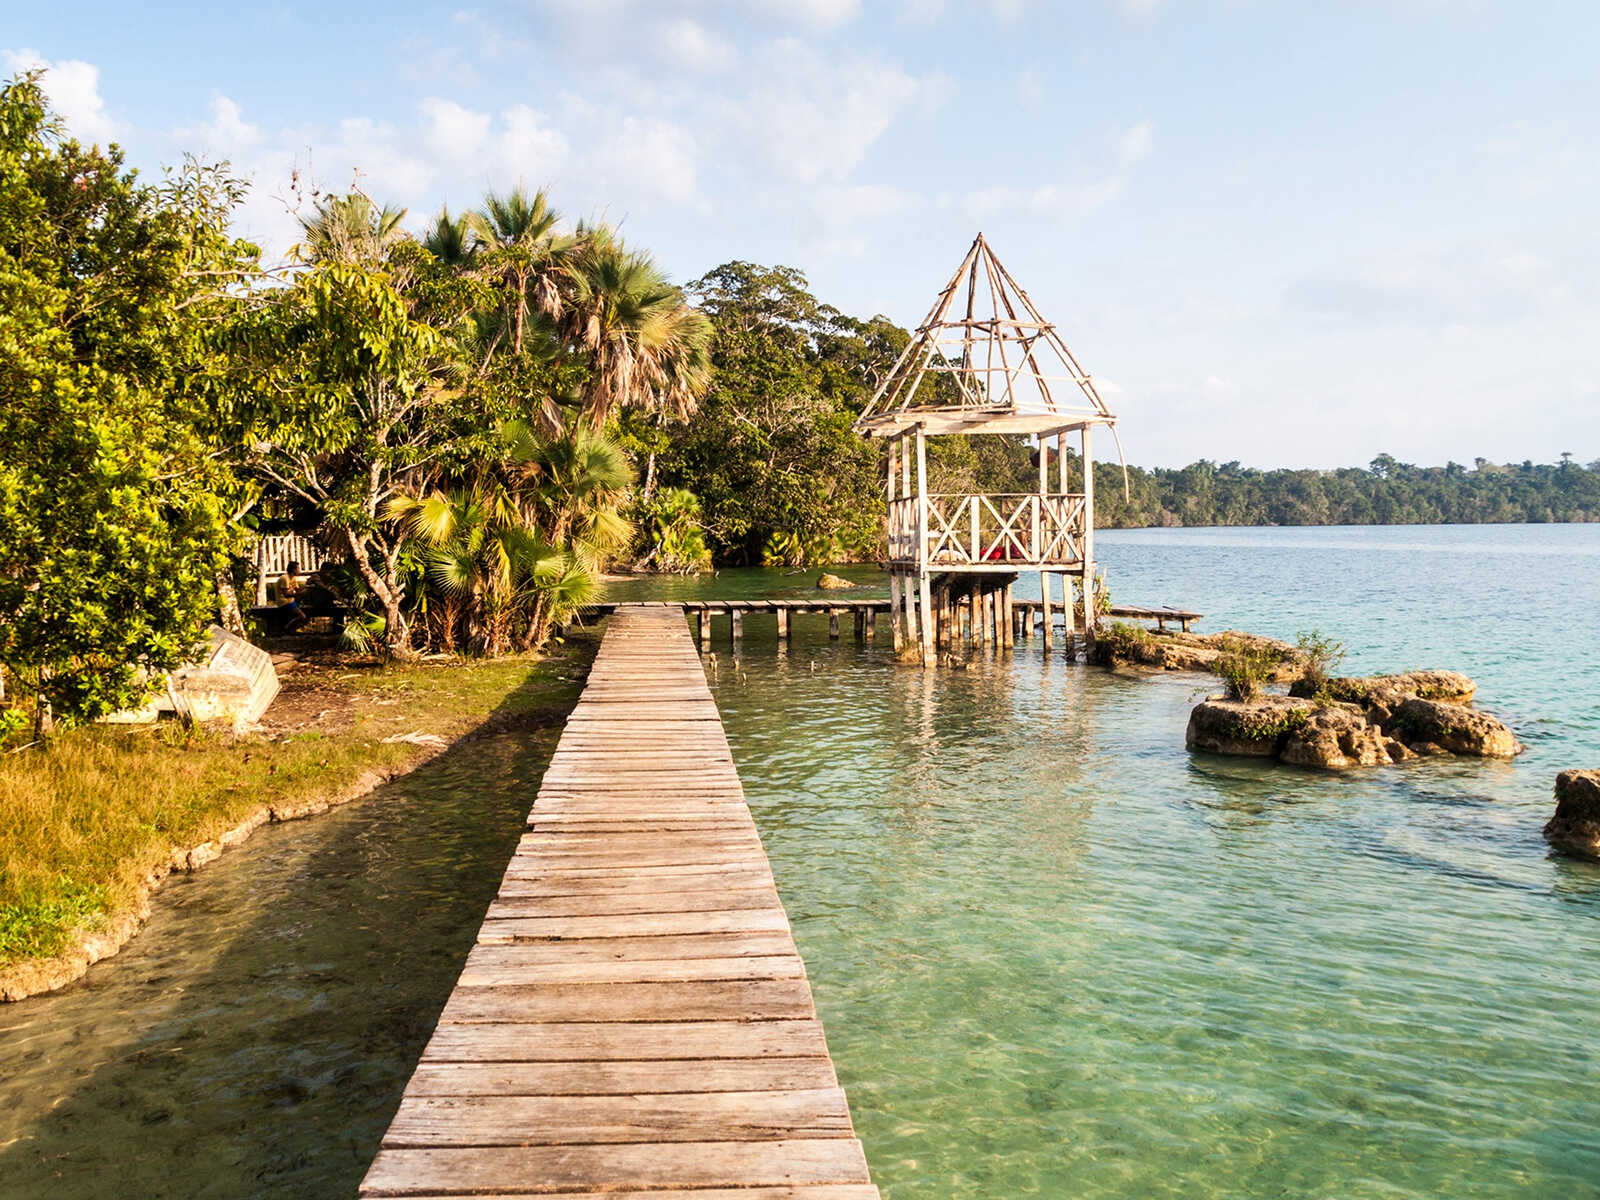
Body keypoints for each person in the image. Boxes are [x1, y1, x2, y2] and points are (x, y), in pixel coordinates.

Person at [279, 561, 308, 632]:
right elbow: (286, 595)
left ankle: (289, 629)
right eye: (298, 568)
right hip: (284, 602)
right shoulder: (284, 579)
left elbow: (297, 590)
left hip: (291, 601)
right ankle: (287, 628)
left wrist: (307, 587)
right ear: (293, 569)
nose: (299, 570)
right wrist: (300, 594)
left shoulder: (293, 578)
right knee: (303, 617)